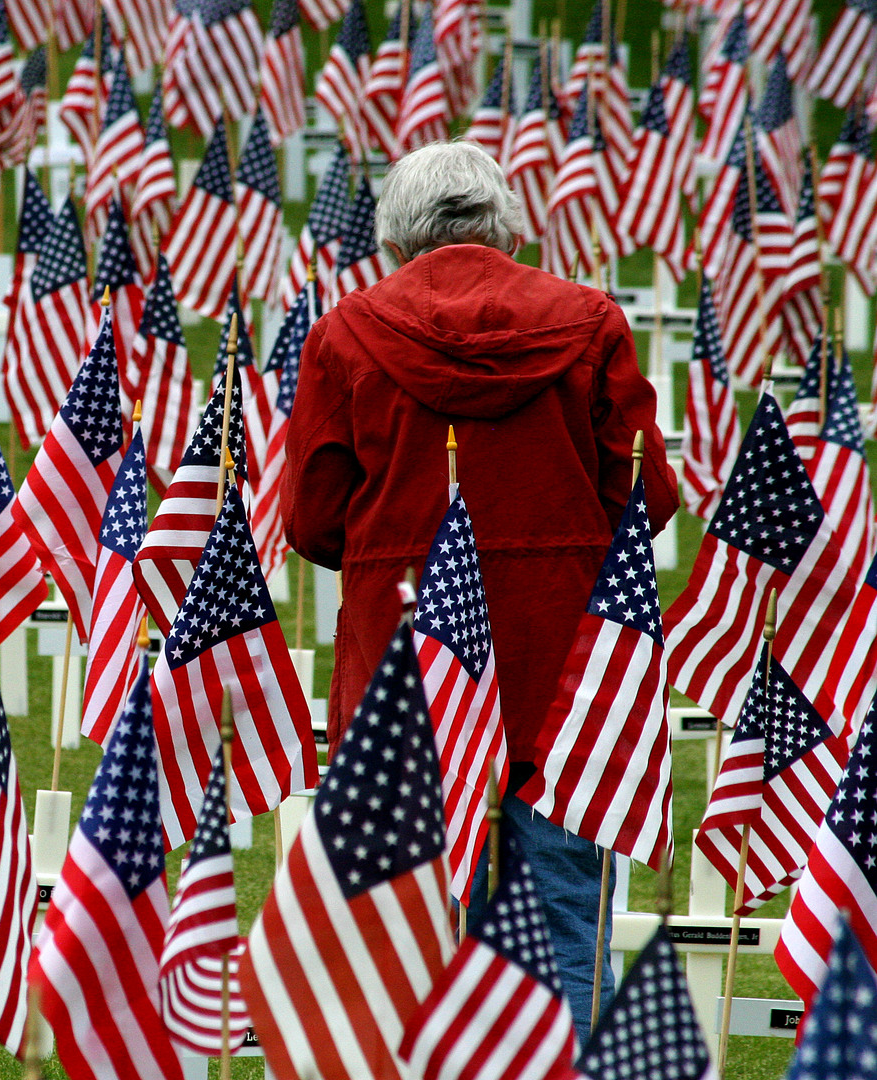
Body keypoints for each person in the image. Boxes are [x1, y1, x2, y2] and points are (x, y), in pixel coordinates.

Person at [281, 141, 679, 1040]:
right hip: (565, 676)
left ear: (395, 238)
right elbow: (647, 493)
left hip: (405, 677)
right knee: (562, 922)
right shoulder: (590, 322)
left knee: (405, 936)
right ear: (502, 222)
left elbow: (313, 520)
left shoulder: (347, 334)